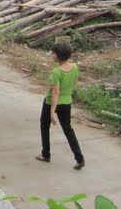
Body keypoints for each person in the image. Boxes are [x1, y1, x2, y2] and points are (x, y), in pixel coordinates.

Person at [36, 41, 85, 170]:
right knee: (68, 129)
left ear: (57, 56)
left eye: (53, 53)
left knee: (44, 126)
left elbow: (56, 92)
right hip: (66, 102)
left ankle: (45, 154)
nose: (52, 55)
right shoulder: (74, 67)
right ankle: (79, 158)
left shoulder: (56, 72)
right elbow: (75, 82)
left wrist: (52, 111)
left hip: (51, 102)